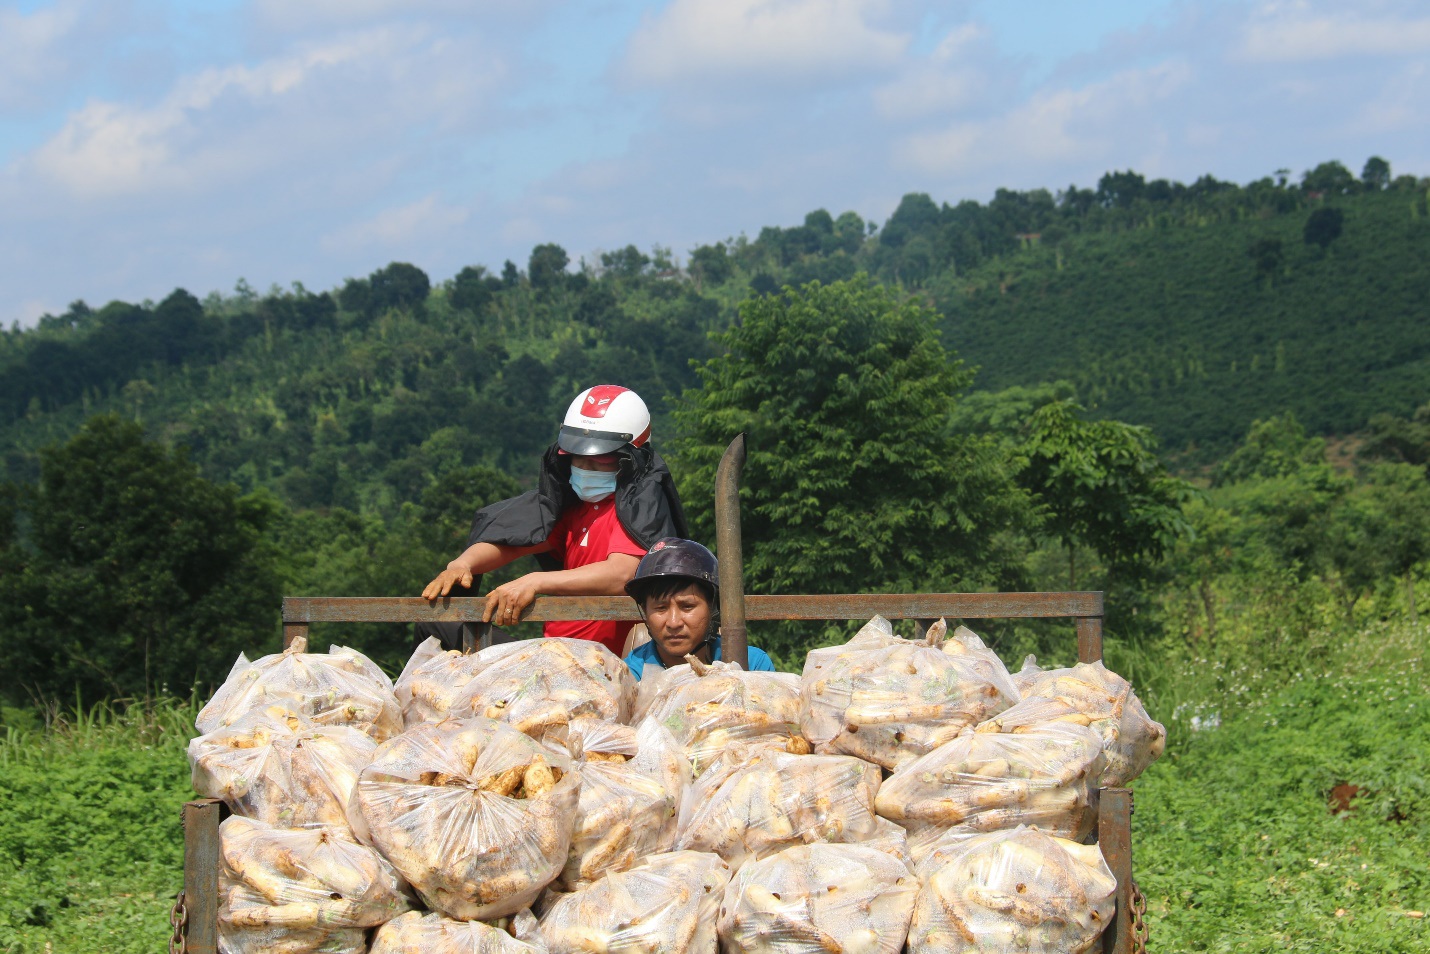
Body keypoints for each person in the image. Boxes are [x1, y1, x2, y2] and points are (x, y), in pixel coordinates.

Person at [421, 385, 688, 656]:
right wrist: (463, 564)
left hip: (595, 662)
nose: (586, 470)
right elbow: (515, 542)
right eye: (578, 460)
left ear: (630, 459)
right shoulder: (577, 511)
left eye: (601, 462)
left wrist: (535, 582)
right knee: (435, 622)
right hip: (551, 653)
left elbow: (622, 573)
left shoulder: (637, 513)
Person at [622, 537, 776, 680]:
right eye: (661, 608)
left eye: (687, 607)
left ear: (713, 607)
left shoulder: (753, 666)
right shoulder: (629, 675)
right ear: (645, 611)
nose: (674, 623)